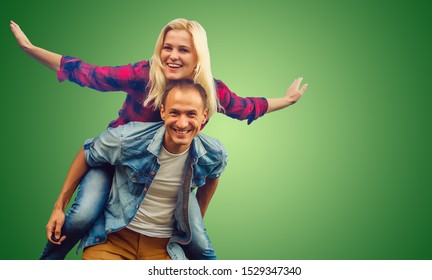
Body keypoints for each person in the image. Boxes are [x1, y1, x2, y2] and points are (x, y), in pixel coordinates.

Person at [10, 18, 308, 259]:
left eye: (183, 50)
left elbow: (246, 107)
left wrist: (287, 100)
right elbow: (91, 74)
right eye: (168, 47)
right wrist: (30, 49)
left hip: (163, 174)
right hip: (116, 159)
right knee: (82, 214)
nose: (173, 56)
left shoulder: (210, 91)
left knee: (199, 241)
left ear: (197, 57)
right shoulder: (144, 75)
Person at [60, 78, 226, 259]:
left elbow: (213, 175)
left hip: (165, 247)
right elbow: (87, 152)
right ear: (162, 112)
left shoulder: (214, 153)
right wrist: (58, 207)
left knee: (205, 252)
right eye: (175, 113)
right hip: (112, 239)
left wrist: (195, 221)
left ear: (204, 115)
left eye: (191, 114)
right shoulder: (128, 139)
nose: (182, 123)